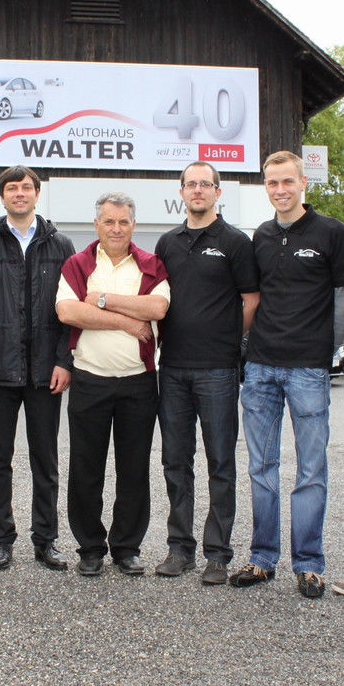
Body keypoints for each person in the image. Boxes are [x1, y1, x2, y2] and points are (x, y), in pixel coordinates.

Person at [229, 151, 344, 598]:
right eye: (272, 182)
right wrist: (245, 350)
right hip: (260, 368)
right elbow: (253, 297)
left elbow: (341, 296)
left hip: (307, 369)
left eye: (287, 181)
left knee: (311, 469)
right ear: (266, 186)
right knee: (262, 467)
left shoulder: (331, 231)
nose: (280, 190)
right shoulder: (261, 235)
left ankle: (309, 564)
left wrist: (328, 350)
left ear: (303, 183)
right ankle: (262, 559)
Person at [154, 162, 260, 583]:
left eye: (205, 184)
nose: (198, 190)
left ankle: (218, 554)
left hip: (218, 369)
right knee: (175, 462)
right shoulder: (167, 243)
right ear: (181, 191)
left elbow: (251, 299)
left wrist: (228, 340)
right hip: (173, 369)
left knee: (220, 462)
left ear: (218, 192)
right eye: (191, 184)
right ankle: (180, 549)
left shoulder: (235, 242)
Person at [56, 192, 170, 576]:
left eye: (123, 221)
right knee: (85, 468)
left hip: (139, 383)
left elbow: (156, 308)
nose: (116, 228)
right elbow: (68, 310)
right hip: (90, 381)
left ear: (133, 225)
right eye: (109, 221)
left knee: (134, 469)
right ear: (96, 225)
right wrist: (126, 320)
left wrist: (101, 299)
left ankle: (126, 547)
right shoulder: (78, 264)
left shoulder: (151, 265)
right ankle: (90, 548)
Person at [0, 166, 74, 571]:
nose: (19, 193)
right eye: (11, 188)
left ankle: (46, 540)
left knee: (46, 461)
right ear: (2, 196)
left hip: (46, 373)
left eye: (26, 187)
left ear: (37, 194)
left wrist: (64, 361)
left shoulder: (60, 245)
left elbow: (70, 310)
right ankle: (2, 540)